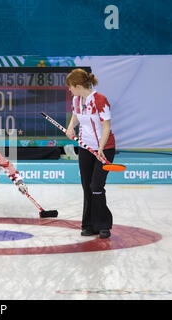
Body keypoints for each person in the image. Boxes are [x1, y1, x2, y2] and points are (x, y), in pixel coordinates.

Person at [65, 68, 116, 239]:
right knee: (87, 186)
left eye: (70, 86)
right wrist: (71, 126)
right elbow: (76, 115)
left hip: (104, 148)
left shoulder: (100, 100)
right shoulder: (76, 99)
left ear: (78, 86)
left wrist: (101, 147)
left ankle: (104, 224)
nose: (69, 89)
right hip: (85, 148)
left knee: (96, 187)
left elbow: (106, 126)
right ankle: (88, 225)